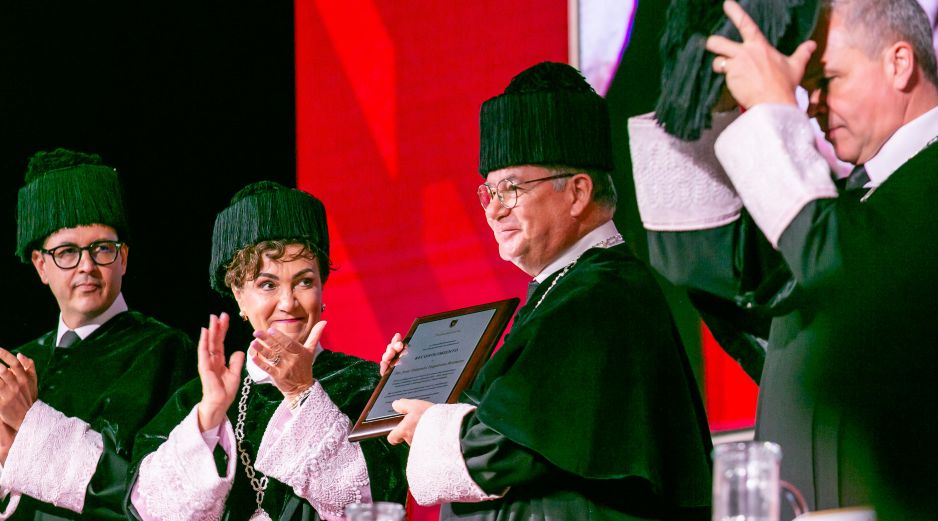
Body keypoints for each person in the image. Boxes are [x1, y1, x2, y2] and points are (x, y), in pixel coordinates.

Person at [632, 0, 938, 516]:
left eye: (828, 78)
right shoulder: (850, 204)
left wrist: (776, 109)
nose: (812, 105)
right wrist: (715, 106)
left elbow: (850, 281)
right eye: (805, 88)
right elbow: (727, 277)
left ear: (899, 63)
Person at [382, 62, 713, 520]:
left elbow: (507, 445)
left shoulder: (601, 296)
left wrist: (432, 427)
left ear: (578, 192)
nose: (494, 210)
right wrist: (419, 383)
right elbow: (515, 414)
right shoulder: (562, 289)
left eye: (512, 188)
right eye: (488, 192)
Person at [128, 181, 408, 521]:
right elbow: (150, 513)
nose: (288, 303)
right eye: (268, 284)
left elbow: (375, 507)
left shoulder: (366, 385)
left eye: (305, 281)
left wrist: (300, 391)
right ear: (238, 294)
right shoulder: (197, 402)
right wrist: (210, 417)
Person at [0, 148, 196, 519]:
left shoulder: (164, 351)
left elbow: (153, 492)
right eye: (67, 252)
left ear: (123, 257)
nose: (86, 266)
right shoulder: (18, 363)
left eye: (101, 249)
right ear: (41, 264)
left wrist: (26, 435)